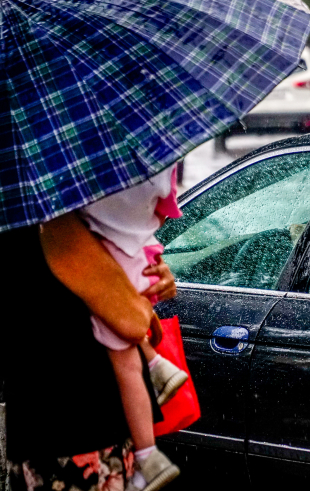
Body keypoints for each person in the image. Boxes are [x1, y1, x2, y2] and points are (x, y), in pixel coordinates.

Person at [0, 205, 177, 491]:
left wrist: (146, 276)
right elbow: (132, 323)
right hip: (85, 431)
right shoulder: (59, 230)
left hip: (40, 432)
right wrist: (140, 285)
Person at [76, 165, 187, 491]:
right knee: (127, 336)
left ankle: (149, 453)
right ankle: (155, 365)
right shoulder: (153, 158)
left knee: (122, 355)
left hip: (77, 429)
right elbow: (167, 208)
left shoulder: (75, 192)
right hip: (140, 252)